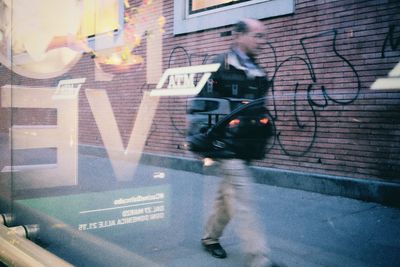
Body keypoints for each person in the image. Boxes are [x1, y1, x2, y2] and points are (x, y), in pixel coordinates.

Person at [197, 18, 280, 267]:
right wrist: (207, 140)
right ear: (239, 35)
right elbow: (201, 104)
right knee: (243, 199)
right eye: (258, 36)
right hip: (226, 145)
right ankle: (259, 259)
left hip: (245, 145)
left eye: (263, 36)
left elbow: (257, 108)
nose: (262, 42)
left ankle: (210, 238)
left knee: (226, 196)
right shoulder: (220, 64)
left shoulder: (256, 70)